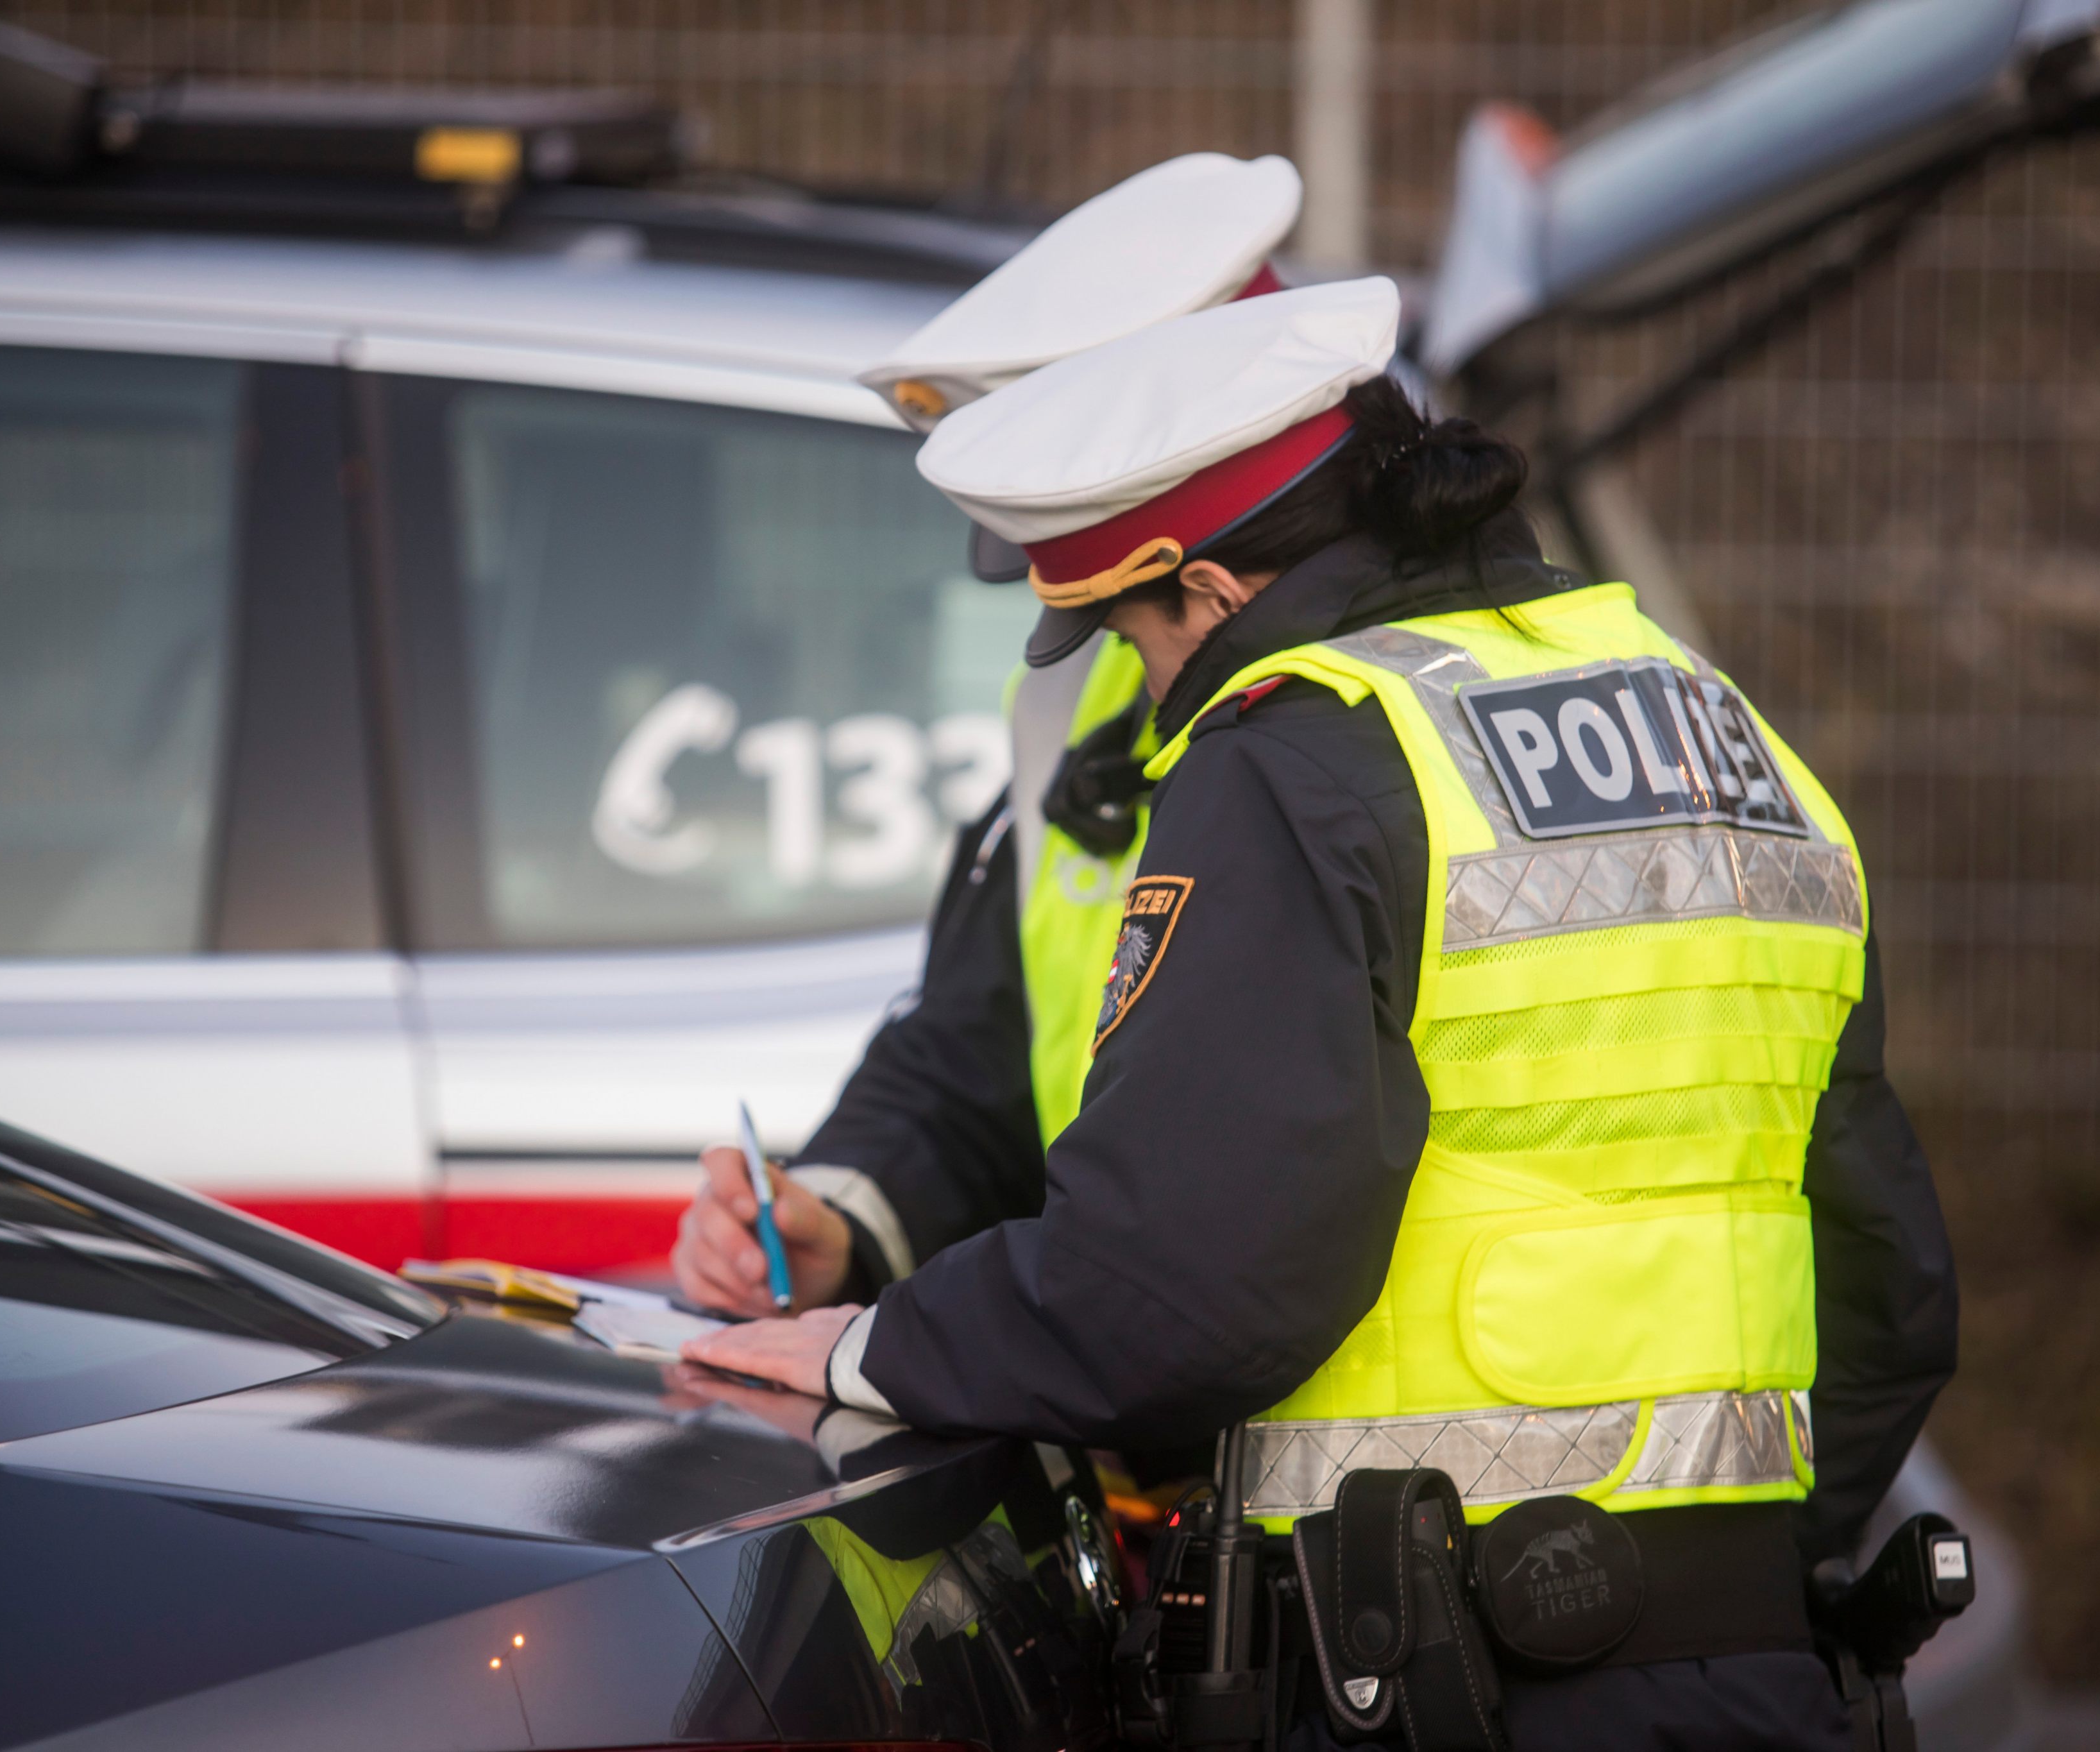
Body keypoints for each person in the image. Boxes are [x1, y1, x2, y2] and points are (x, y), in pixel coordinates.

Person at [678, 276, 1959, 1751]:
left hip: (1430, 1687)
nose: (1152, 696)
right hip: (1761, 1678)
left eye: (1142, 644)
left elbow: (1181, 1285)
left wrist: (868, 1346)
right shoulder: (1728, 736)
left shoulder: (1301, 752)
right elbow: (1892, 1293)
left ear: (1211, 587)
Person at [671, 149, 1301, 1315]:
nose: (1064, 604)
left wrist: (913, 1357)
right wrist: (841, 1226)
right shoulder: (1097, 681)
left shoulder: (1362, 714)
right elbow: (980, 1044)